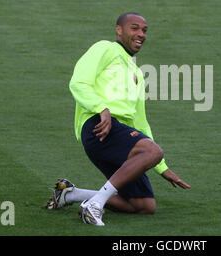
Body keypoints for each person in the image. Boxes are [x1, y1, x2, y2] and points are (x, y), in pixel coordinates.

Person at [44, 12, 191, 226]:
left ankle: (70, 195)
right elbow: (78, 83)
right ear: (119, 30)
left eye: (144, 30)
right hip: (99, 127)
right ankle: (94, 205)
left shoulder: (137, 73)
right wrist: (101, 108)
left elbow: (140, 123)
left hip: (120, 135)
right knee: (153, 151)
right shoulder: (104, 48)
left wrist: (162, 167)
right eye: (135, 28)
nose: (141, 34)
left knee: (143, 205)